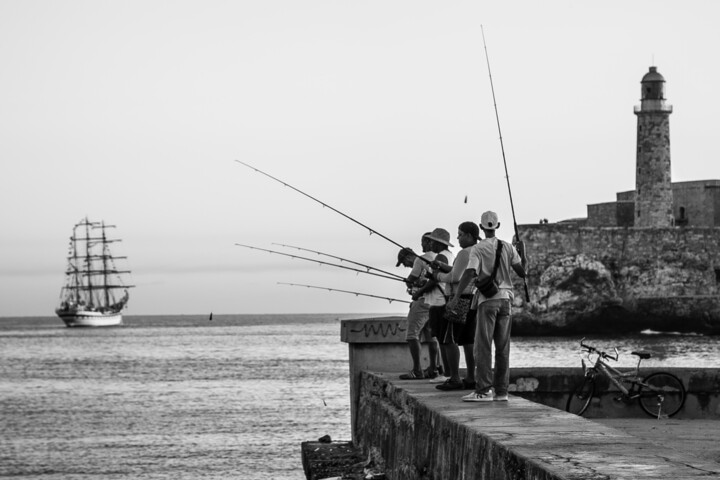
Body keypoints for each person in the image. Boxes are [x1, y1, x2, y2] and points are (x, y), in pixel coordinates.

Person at [447, 211, 527, 402]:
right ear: (497, 226)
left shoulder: (478, 248)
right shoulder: (508, 247)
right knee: (502, 348)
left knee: (483, 346)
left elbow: (469, 273)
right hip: (506, 300)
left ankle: (483, 390)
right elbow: (522, 272)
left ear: (482, 227)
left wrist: (455, 298)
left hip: (487, 300)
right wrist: (523, 254)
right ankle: (501, 392)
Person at [430, 221, 479, 391]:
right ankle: (471, 378)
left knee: (449, 339)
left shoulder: (465, 252)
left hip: (459, 299)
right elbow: (459, 270)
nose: (457, 238)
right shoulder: (478, 251)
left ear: (469, 235)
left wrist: (437, 275)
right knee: (468, 340)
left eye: (460, 234)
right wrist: (444, 267)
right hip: (472, 299)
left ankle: (455, 378)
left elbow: (455, 277)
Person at [397, 233, 442, 380]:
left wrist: (409, 283)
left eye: (403, 262)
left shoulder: (419, 259)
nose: (405, 265)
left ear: (408, 256)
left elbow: (411, 279)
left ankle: (417, 370)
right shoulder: (439, 257)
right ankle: (434, 369)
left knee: (411, 335)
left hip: (422, 301)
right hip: (436, 301)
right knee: (431, 336)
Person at [421, 228, 455, 385]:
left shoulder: (441, 256)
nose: (430, 244)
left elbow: (435, 280)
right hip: (445, 299)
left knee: (442, 340)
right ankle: (447, 372)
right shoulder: (450, 255)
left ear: (439, 243)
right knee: (444, 339)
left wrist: (419, 291)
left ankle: (447, 373)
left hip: (438, 302)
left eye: (432, 241)